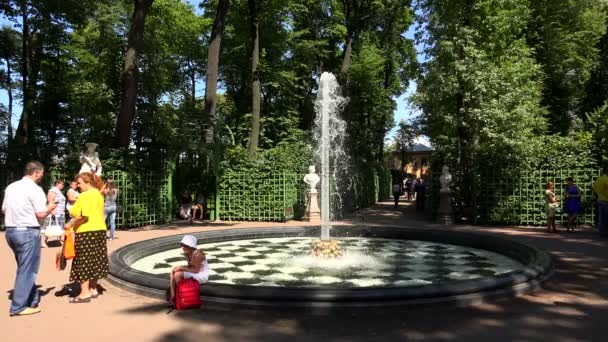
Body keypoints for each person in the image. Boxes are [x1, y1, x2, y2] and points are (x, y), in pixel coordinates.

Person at [2, 161, 56, 316]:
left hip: (11, 231)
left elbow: (4, 209)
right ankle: (18, 307)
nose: (41, 177)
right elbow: (40, 214)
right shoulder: (35, 189)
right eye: (41, 174)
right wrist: (50, 208)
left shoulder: (11, 187)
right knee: (28, 270)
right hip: (28, 232)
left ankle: (31, 299)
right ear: (36, 173)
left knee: (24, 267)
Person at [65, 172, 108, 302]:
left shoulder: (85, 195)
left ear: (87, 183)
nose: (78, 186)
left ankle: (84, 293)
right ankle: (93, 289)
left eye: (80, 183)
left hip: (86, 231)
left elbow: (84, 216)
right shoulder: (98, 195)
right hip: (100, 230)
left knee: (83, 261)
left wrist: (70, 223)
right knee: (96, 259)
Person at [168, 235, 209, 306]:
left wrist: (181, 268)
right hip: (195, 272)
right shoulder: (188, 253)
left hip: (201, 275)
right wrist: (178, 268)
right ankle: (173, 297)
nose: (182, 247)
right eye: (182, 245)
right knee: (173, 272)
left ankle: (182, 296)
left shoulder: (197, 254)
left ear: (191, 246)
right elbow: (191, 267)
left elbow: (196, 270)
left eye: (185, 245)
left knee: (177, 275)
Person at [42, 179, 66, 247]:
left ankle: (60, 241)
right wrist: (52, 210)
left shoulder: (59, 191)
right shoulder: (53, 190)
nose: (62, 185)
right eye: (61, 184)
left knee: (59, 227)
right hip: (55, 212)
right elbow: (50, 201)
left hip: (60, 212)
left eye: (63, 184)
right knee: (49, 226)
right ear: (57, 183)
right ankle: (44, 241)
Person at [593, 163, 608, 237]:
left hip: (600, 199)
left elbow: (594, 188)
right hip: (606, 200)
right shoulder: (606, 179)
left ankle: (602, 232)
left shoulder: (599, 179)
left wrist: (599, 195)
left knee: (602, 218)